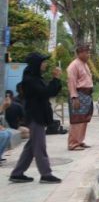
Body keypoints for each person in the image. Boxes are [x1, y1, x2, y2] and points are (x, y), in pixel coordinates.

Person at [9, 52, 63, 183]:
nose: (45, 64)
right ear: (36, 64)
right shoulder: (30, 80)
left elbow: (50, 92)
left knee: (31, 146)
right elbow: (45, 92)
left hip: (38, 115)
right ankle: (46, 174)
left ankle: (17, 173)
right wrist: (55, 78)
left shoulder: (35, 78)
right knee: (39, 146)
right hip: (35, 116)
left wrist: (56, 80)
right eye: (43, 62)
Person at [67, 44, 94, 151]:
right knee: (77, 120)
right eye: (86, 52)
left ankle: (80, 141)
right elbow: (71, 82)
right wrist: (74, 97)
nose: (88, 54)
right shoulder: (73, 66)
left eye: (88, 52)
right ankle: (73, 143)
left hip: (86, 95)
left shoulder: (84, 64)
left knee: (84, 119)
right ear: (80, 53)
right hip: (79, 95)